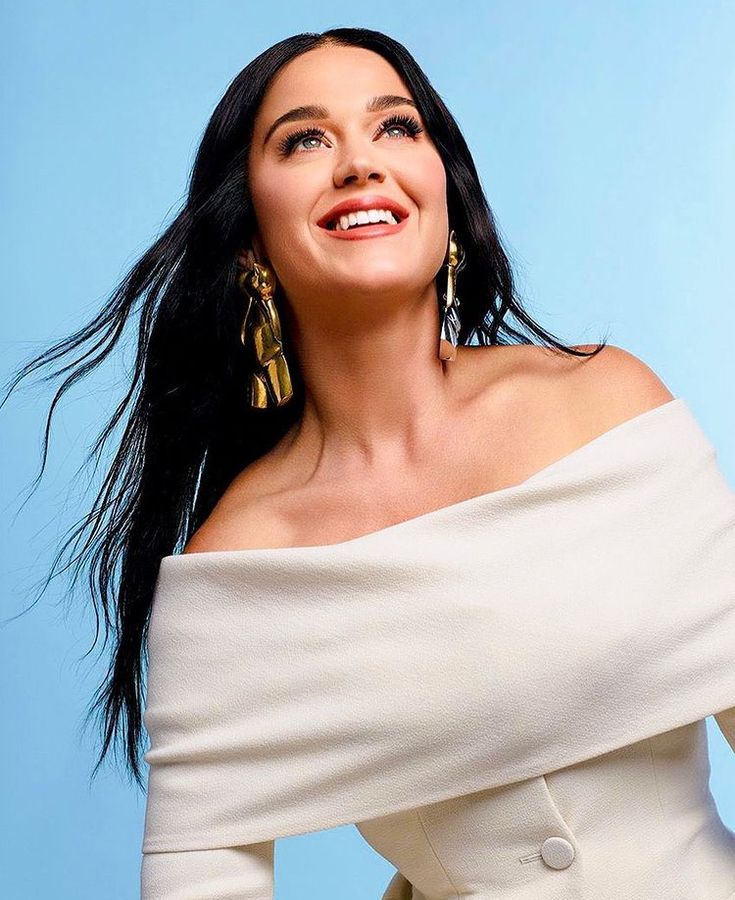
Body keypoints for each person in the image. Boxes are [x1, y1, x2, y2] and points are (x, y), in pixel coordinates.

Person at [4, 26, 734, 900]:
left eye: (395, 127)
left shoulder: (607, 404)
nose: (359, 163)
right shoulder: (235, 570)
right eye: (304, 140)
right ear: (247, 241)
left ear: (444, 195)